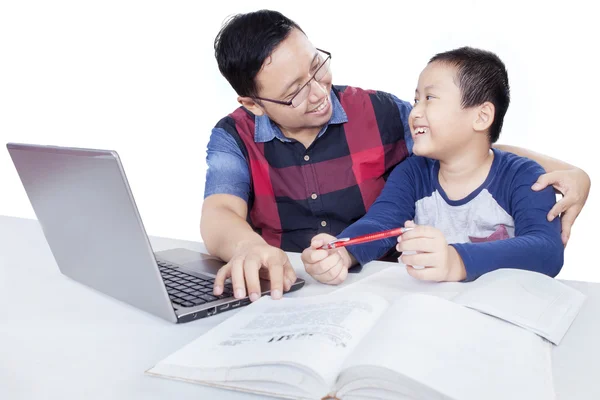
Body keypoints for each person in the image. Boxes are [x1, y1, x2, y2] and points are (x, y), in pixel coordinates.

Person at [201, 10, 590, 300]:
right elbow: (220, 213)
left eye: (317, 67)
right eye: (294, 91)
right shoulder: (233, 135)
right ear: (253, 103)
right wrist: (258, 248)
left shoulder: (383, 114)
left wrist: (573, 173)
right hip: (292, 291)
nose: (319, 93)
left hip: (406, 296)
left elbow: (463, 144)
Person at [302, 46, 564, 284]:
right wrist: (344, 251)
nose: (415, 112)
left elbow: (546, 249)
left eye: (430, 98)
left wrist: (456, 261)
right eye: (416, 100)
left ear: (482, 116)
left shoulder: (524, 176)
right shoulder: (413, 173)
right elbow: (381, 223)